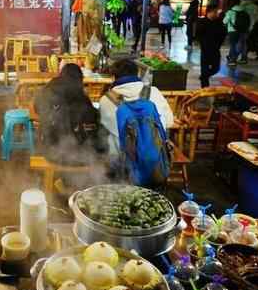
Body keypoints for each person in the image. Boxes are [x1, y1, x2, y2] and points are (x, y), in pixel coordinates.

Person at [99, 59, 174, 186]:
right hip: (155, 164)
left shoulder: (106, 100)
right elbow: (170, 122)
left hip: (121, 168)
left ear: (114, 77)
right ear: (138, 74)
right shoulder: (153, 92)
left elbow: (103, 131)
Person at [34, 63, 106, 193]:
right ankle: (75, 187)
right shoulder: (82, 97)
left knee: (44, 134)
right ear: (80, 78)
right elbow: (94, 125)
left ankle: (61, 185)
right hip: (82, 157)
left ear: (61, 74)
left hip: (52, 154)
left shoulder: (47, 90)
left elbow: (36, 109)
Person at [223, 0, 258, 65]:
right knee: (243, 43)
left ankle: (233, 58)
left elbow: (225, 20)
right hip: (248, 27)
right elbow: (257, 18)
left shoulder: (242, 6)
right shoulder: (255, 6)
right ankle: (243, 58)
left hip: (236, 29)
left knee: (236, 44)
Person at [197, 5, 226, 87]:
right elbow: (198, 34)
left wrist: (219, 43)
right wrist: (202, 43)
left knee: (216, 68)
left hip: (216, 49)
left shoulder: (219, 22)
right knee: (204, 69)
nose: (216, 14)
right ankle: (204, 88)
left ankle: (204, 77)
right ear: (209, 12)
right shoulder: (202, 22)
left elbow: (223, 33)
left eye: (217, 12)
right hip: (205, 49)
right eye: (215, 12)